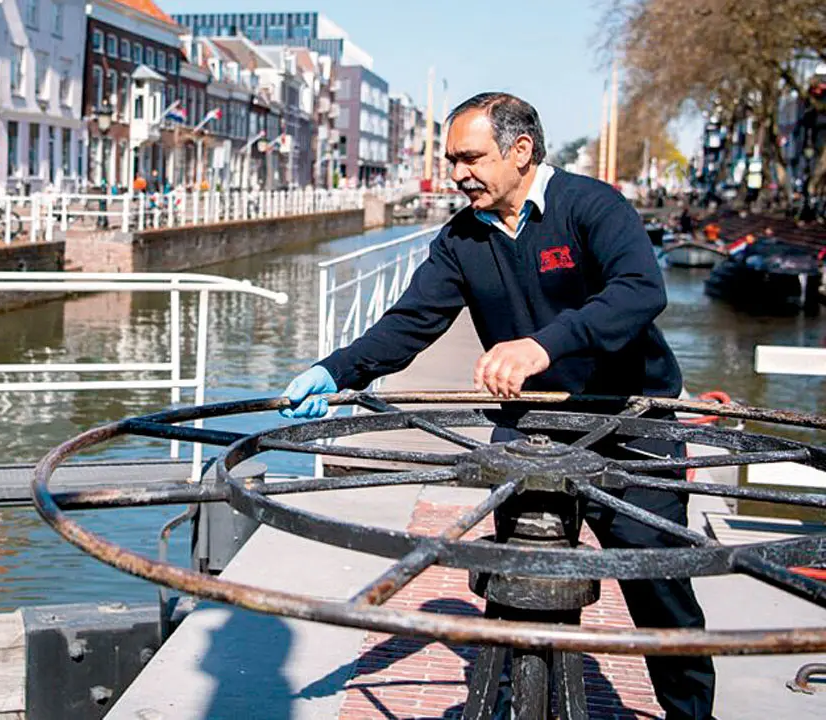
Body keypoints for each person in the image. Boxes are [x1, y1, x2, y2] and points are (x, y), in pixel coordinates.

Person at [280, 92, 715, 719]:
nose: (458, 173)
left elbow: (639, 291)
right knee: (512, 576)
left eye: (470, 157)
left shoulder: (592, 208)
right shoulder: (462, 238)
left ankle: (691, 715)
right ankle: (510, 701)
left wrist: (543, 346)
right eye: (453, 159)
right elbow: (411, 323)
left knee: (660, 584)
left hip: (628, 420)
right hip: (532, 425)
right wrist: (336, 370)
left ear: (520, 150)